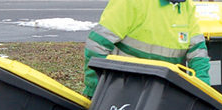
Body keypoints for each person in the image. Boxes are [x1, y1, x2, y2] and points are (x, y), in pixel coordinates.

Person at [82, 0, 211, 98]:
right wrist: (95, 89)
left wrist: (204, 92)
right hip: (120, 89)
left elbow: (198, 54)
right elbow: (97, 45)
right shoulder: (132, 3)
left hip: (158, 94)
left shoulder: (186, 7)